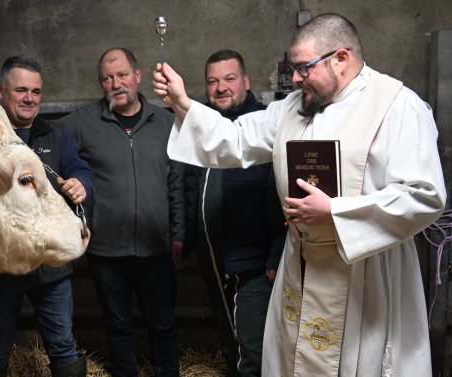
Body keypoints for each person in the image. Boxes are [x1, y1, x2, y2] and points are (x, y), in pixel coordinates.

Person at [153, 13, 446, 377]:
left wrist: (337, 212)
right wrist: (183, 102)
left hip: (365, 267)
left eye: (304, 68)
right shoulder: (294, 106)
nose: (294, 78)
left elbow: (424, 195)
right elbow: (236, 138)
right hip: (302, 264)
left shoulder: (397, 106)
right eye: (294, 68)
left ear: (341, 58)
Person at [59, 47, 185, 377]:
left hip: (156, 247)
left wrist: (180, 233)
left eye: (122, 75)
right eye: (107, 78)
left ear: (138, 75)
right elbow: (45, 144)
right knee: (116, 326)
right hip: (106, 251)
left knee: (163, 325)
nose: (116, 84)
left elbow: (176, 182)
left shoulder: (165, 121)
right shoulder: (83, 122)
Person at [0, 55, 94, 377]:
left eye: (36, 92)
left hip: (48, 264)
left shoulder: (54, 135)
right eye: (21, 90)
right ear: (1, 90)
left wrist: (82, 183)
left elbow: (79, 167)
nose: (30, 98)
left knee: (62, 344)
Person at [182, 49, 286, 377]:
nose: (221, 88)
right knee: (229, 340)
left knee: (253, 349)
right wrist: (182, 238)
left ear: (245, 81)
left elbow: (288, 198)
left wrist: (276, 256)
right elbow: (189, 190)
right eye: (212, 82)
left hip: (254, 267)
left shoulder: (266, 126)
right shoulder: (202, 130)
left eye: (229, 79)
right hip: (215, 263)